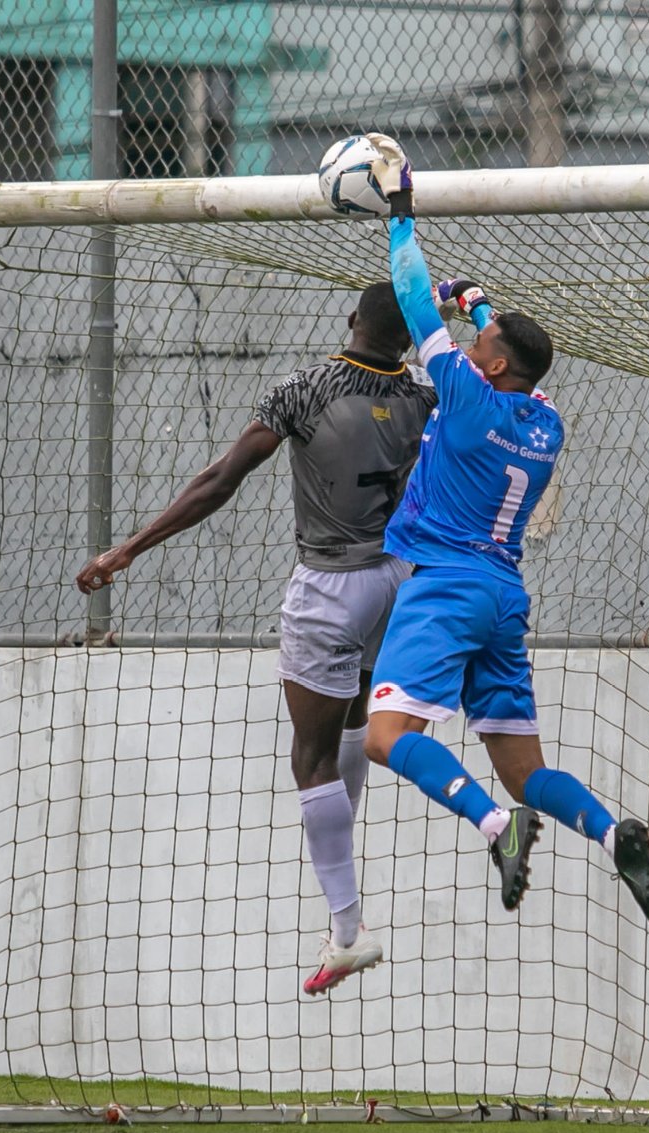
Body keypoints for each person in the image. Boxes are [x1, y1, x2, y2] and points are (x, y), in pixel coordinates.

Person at [76, 285, 434, 995]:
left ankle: (347, 929)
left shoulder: (304, 390)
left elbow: (220, 481)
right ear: (408, 338)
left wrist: (128, 548)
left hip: (330, 586)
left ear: (351, 321)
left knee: (309, 759)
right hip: (399, 580)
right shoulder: (427, 394)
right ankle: (342, 882)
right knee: (353, 722)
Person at [354, 137, 649, 926]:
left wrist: (401, 213)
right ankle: (612, 831)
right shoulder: (544, 421)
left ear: (491, 369)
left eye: (477, 348)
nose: (465, 349)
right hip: (503, 596)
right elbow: (500, 346)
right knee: (527, 770)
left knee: (384, 735)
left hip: (448, 585)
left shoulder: (463, 395)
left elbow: (412, 293)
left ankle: (496, 826)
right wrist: (479, 306)